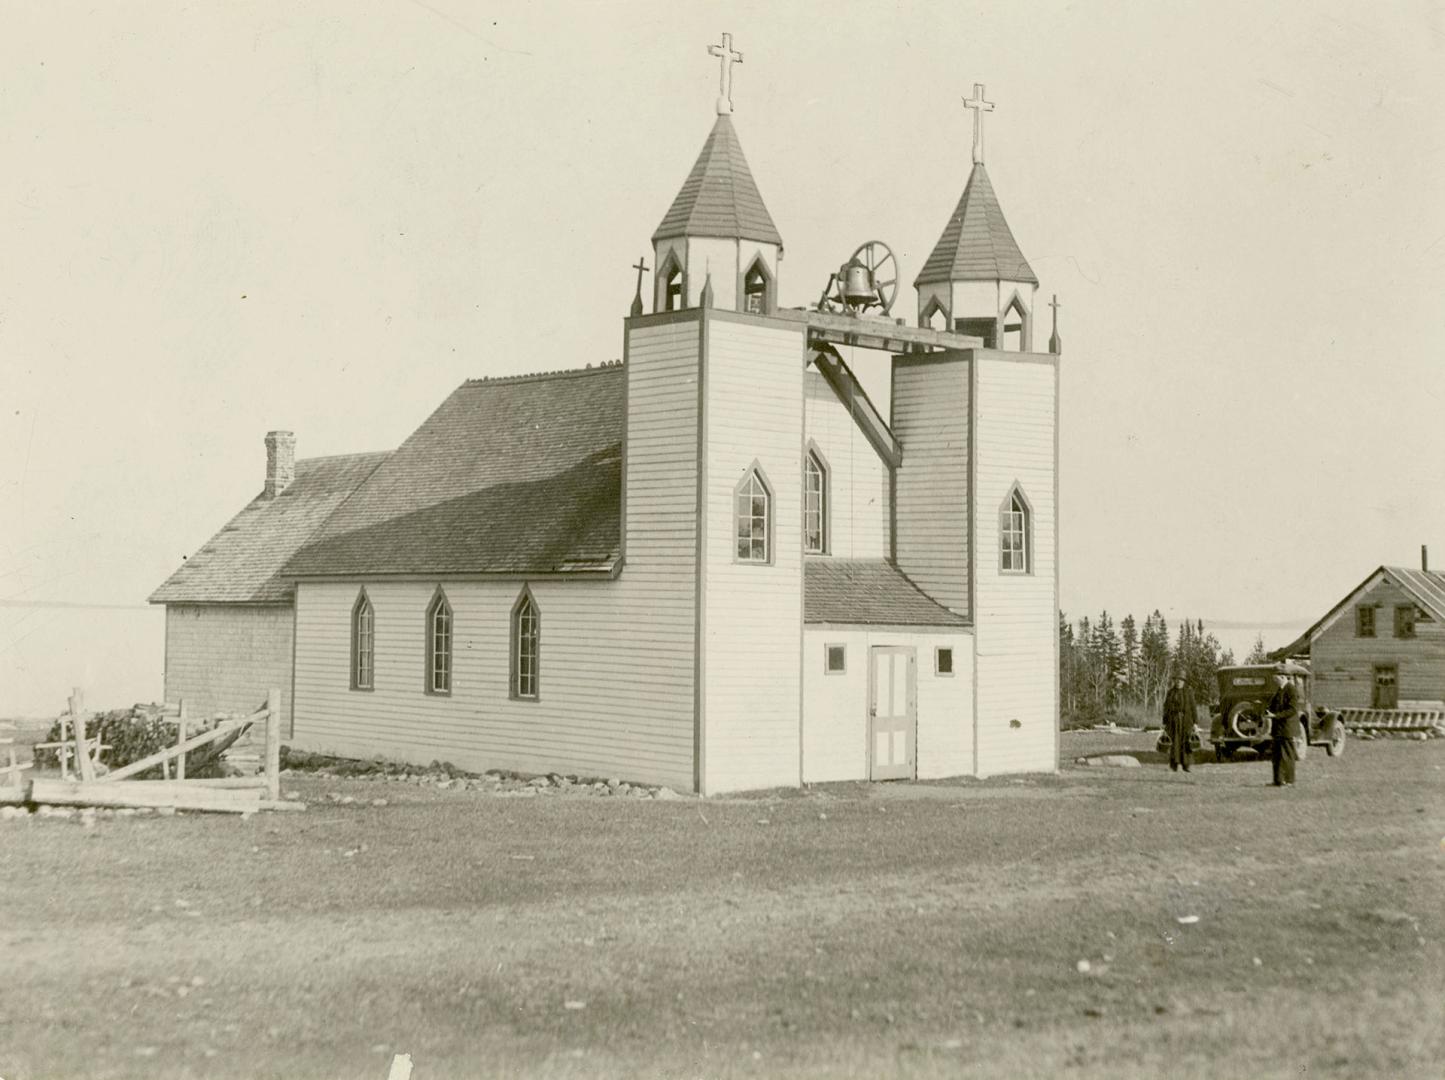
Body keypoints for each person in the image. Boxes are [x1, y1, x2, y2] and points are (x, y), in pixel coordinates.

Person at [1266, 672, 1303, 787]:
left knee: (1287, 755)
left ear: (1282, 677)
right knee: (1276, 756)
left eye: (1275, 678)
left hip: (1287, 729)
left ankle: (1289, 781)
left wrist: (1275, 716)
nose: (1274, 680)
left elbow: (1292, 710)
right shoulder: (1279, 690)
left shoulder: (1291, 690)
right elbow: (1272, 706)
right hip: (1278, 729)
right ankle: (1278, 781)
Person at [1162, 673, 1198, 772]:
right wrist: (1165, 722)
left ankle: (1187, 765)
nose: (1178, 682)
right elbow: (1166, 708)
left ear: (1184, 681)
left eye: (1180, 680)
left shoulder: (1188, 692)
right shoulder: (1171, 692)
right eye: (1177, 680)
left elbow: (1193, 707)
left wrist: (1195, 722)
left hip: (1186, 721)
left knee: (1186, 742)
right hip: (1173, 721)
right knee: (1175, 742)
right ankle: (1174, 765)